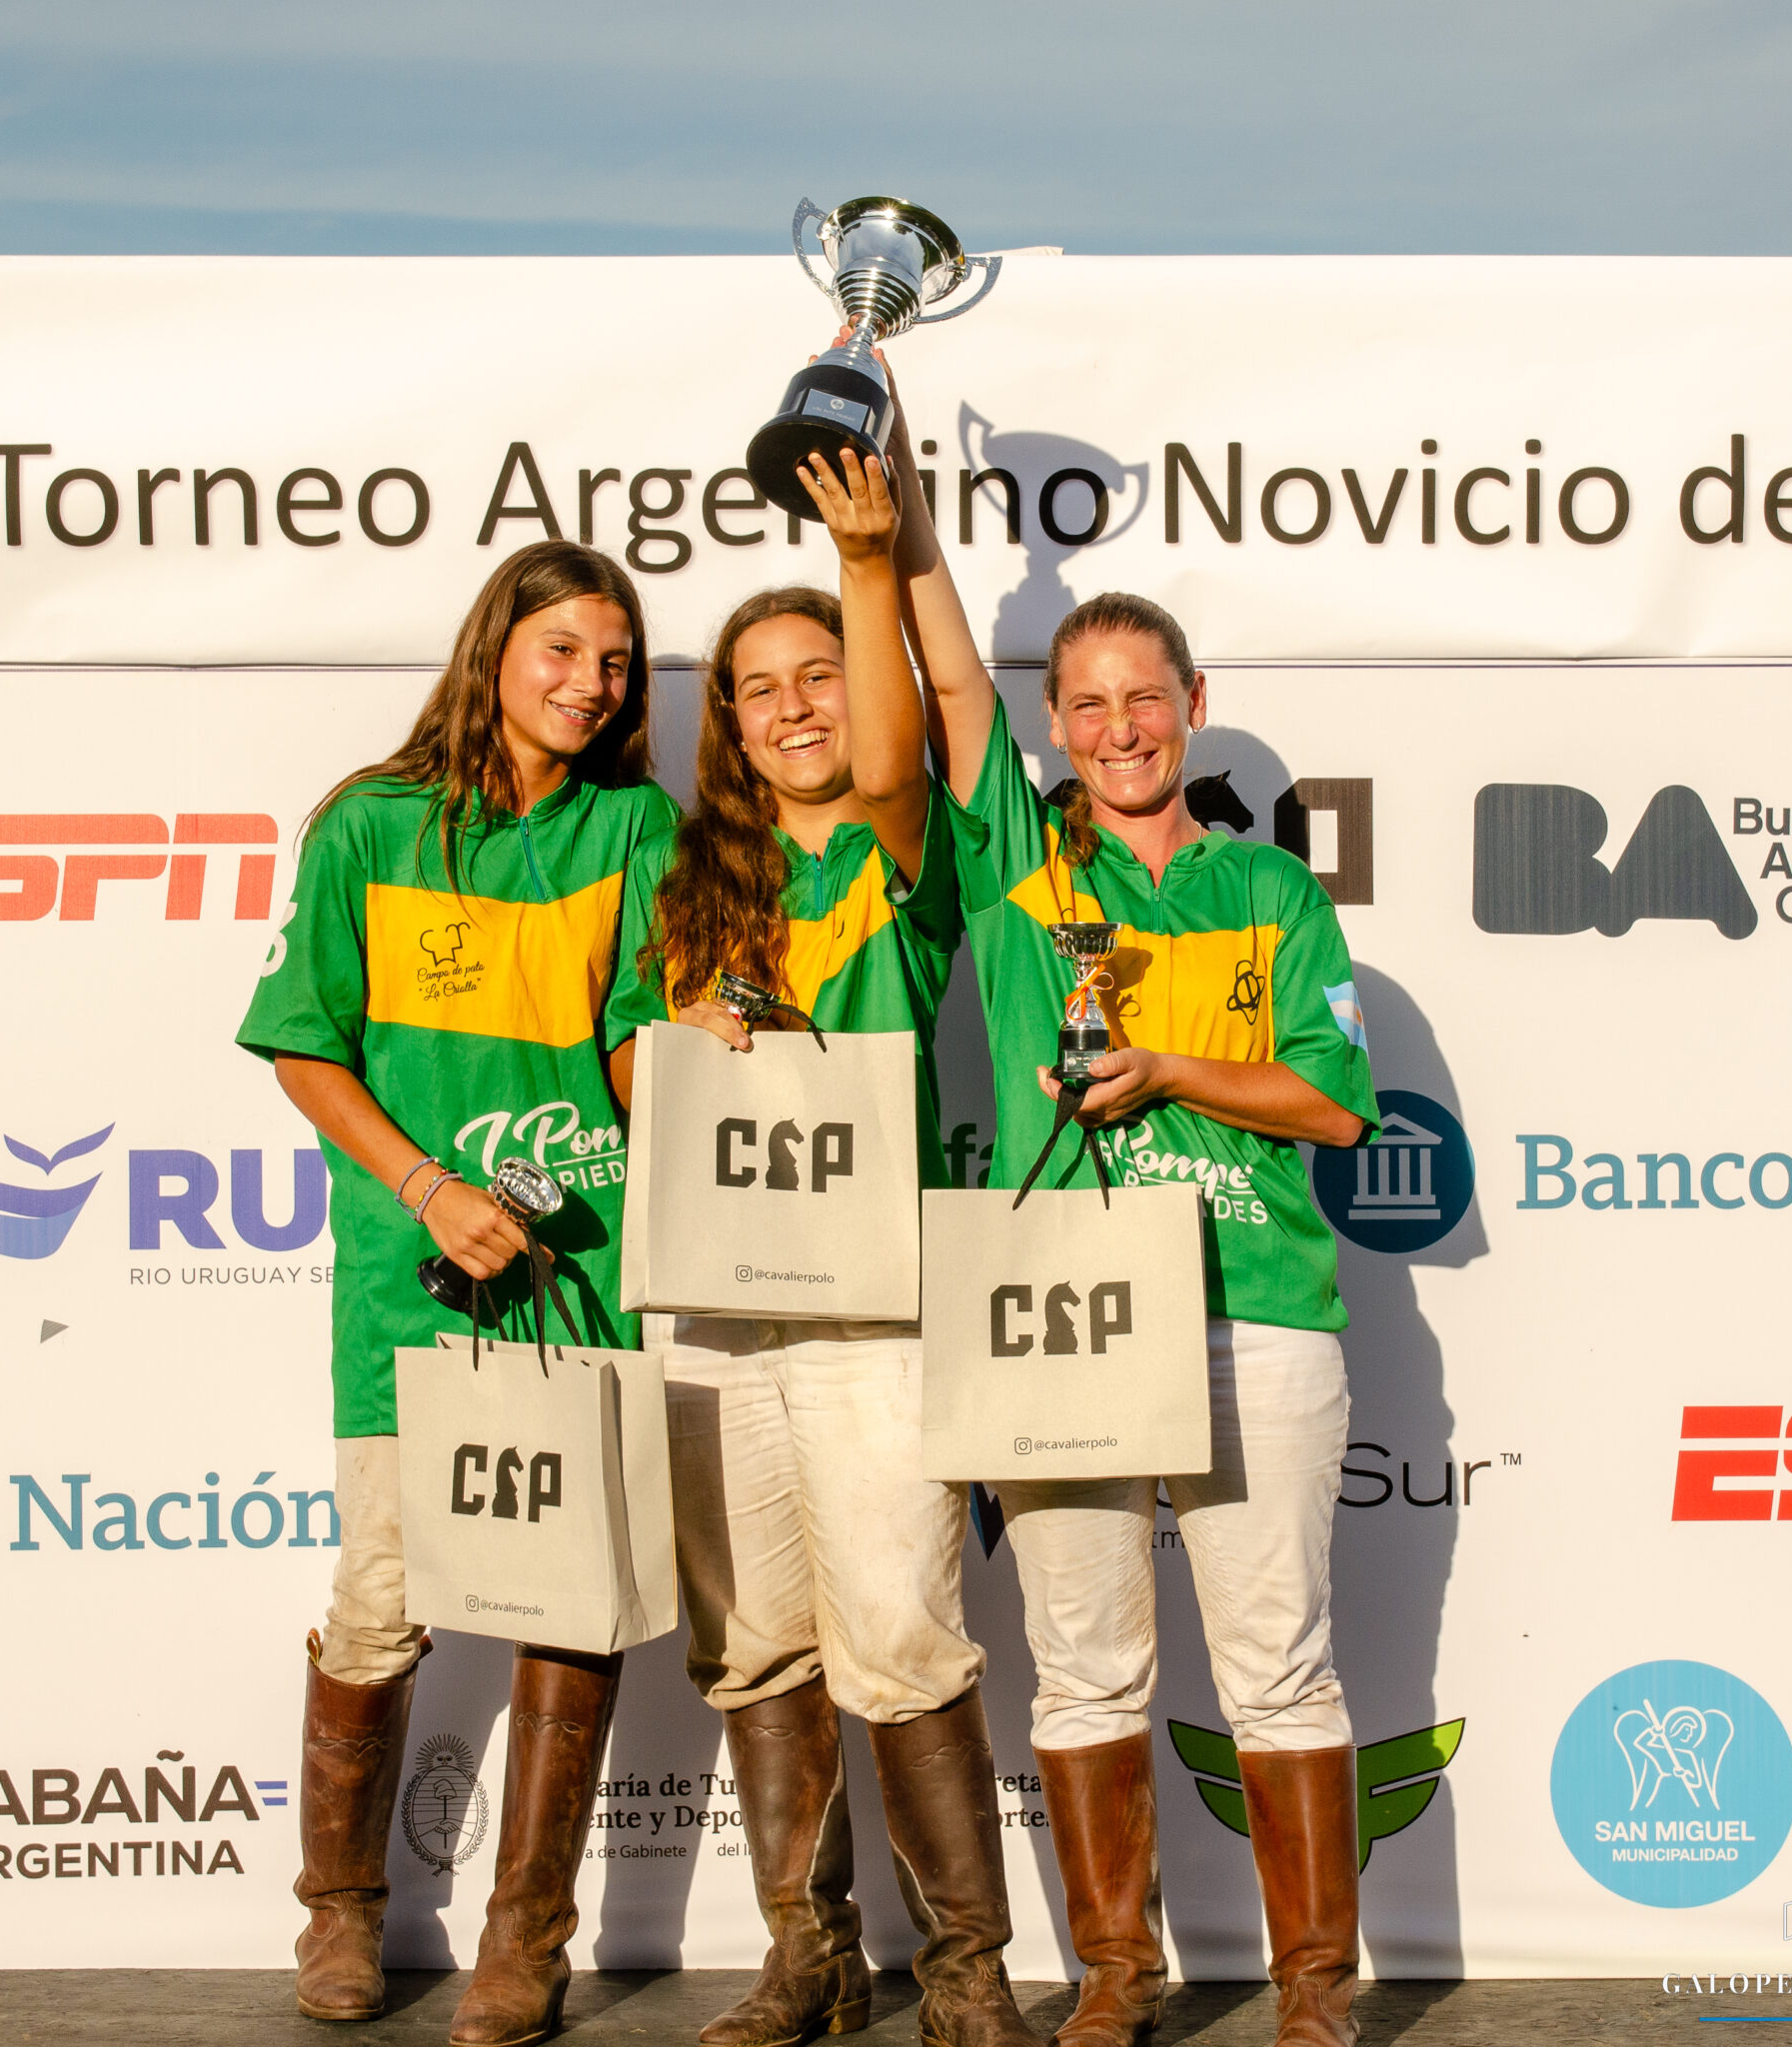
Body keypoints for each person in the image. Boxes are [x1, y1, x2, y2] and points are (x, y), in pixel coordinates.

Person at [886, 383, 1380, 2047]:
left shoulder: (1271, 889)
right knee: (1086, 1668)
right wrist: (893, 489)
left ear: (1193, 708)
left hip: (1256, 1308)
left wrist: (1171, 1067)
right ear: (1059, 724)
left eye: (1141, 699)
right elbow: (950, 674)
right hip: (1075, 1317)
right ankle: (1114, 1974)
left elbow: (1332, 1104)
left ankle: (1316, 1982)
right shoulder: (1023, 866)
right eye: (1083, 705)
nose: (1115, 729)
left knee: (1280, 1667)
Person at [604, 449, 1036, 2047]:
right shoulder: (686, 872)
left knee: (907, 1632)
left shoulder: (901, 851)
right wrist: (685, 1031)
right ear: (721, 724)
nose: (793, 708)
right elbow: (633, 1080)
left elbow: (905, 748)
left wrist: (868, 560)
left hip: (873, 1311)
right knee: (754, 1641)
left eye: (818, 680)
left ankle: (967, 1972)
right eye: (754, 690)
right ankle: (812, 1955)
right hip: (714, 1315)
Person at [238, 539, 678, 2036]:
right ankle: (340, 1919)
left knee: (570, 1615)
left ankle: (524, 1944)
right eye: (563, 650)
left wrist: (706, 1061)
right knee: (375, 1611)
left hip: (577, 1286)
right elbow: (308, 1046)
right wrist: (430, 1188)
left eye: (614, 662)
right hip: (408, 1287)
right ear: (494, 649)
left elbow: (634, 1055)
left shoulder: (636, 825)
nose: (591, 684)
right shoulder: (368, 825)